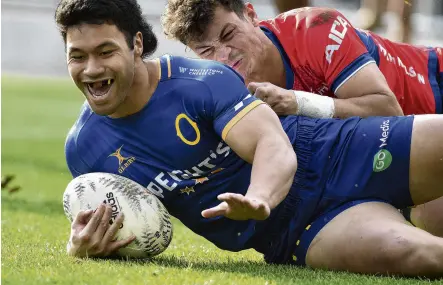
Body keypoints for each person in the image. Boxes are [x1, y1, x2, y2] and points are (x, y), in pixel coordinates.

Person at [56, 0, 443, 277]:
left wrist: (259, 196)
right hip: (296, 231)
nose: (92, 69)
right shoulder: (85, 151)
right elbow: (128, 227)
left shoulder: (201, 80)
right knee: (420, 255)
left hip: (336, 150)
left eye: (105, 51)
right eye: (78, 56)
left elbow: (271, 146)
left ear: (136, 45)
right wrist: (82, 247)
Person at [162, 0, 443, 236]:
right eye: (207, 51)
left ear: (250, 14)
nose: (224, 56)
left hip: (436, 85)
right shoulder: (216, 89)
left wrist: (297, 102)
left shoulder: (316, 27)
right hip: (392, 159)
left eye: (228, 34)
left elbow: (388, 111)